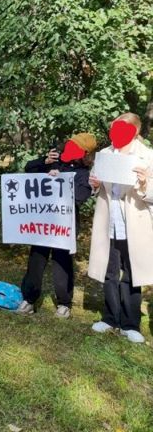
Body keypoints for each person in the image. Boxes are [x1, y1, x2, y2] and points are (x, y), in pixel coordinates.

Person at [87, 112, 153, 344]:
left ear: (135, 131)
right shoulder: (105, 154)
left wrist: (145, 183)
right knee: (110, 271)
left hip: (133, 223)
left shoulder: (147, 155)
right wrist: (95, 184)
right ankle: (110, 318)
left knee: (132, 273)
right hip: (109, 220)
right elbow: (97, 186)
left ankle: (130, 323)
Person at [16, 133, 97, 318]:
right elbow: (29, 169)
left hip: (65, 226)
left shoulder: (84, 174)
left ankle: (64, 303)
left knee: (62, 262)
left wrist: (59, 181)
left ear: (84, 154)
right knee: (36, 259)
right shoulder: (55, 162)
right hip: (43, 222)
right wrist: (45, 162)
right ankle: (29, 299)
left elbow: (80, 196)